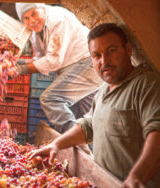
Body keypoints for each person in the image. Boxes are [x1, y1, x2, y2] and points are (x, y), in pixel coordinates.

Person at [28, 23, 160, 188]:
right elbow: (89, 126)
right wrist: (57, 144)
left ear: (128, 50)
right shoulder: (104, 89)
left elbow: (157, 133)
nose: (104, 61)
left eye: (111, 51)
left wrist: (137, 177)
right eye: (97, 55)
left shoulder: (146, 84)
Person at [14, 3, 102, 136]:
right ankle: (86, 151)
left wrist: (21, 70)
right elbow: (40, 58)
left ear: (41, 8)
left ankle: (75, 140)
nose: (31, 21)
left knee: (51, 99)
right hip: (72, 68)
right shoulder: (35, 32)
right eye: (25, 18)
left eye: (34, 13)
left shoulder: (57, 19)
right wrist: (16, 63)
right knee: (83, 118)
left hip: (86, 64)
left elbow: (53, 60)